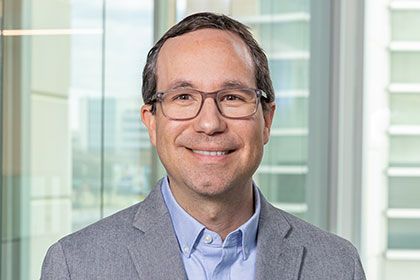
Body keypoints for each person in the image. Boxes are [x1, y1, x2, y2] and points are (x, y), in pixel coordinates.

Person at [41, 12, 366, 280]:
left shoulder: (338, 265)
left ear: (266, 120)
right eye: (183, 97)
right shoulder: (75, 266)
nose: (210, 123)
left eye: (232, 97)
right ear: (151, 122)